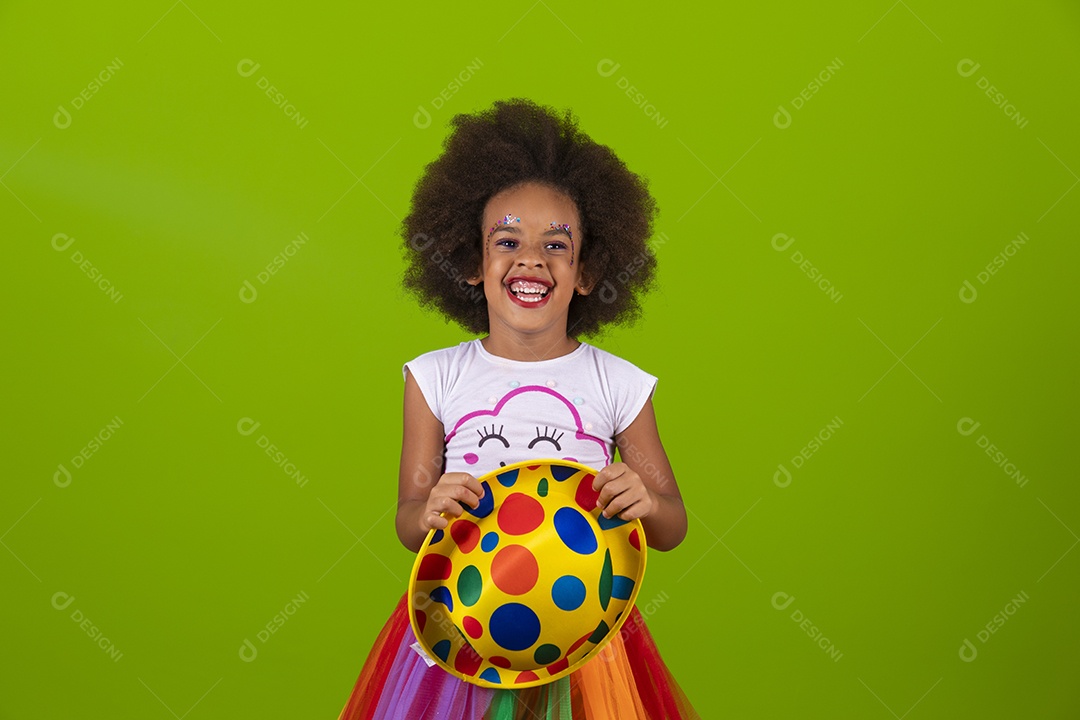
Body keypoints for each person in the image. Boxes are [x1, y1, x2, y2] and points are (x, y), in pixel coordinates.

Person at [338, 98, 699, 719]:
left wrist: (644, 500)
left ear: (587, 272)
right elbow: (406, 522)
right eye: (507, 240)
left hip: (587, 631)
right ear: (473, 262)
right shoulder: (435, 377)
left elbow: (672, 525)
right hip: (466, 620)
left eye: (556, 246)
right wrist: (428, 510)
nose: (531, 258)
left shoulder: (618, 384)